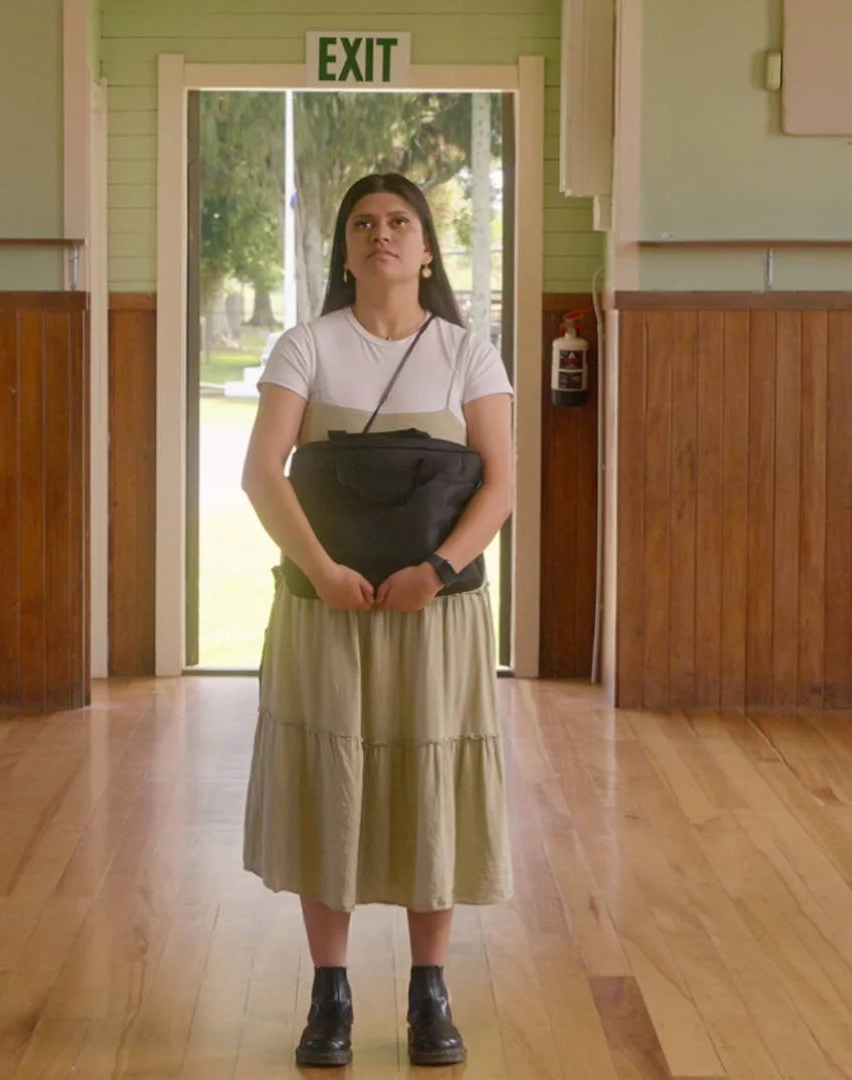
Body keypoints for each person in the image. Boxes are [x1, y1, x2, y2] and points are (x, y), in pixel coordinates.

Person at [240, 172, 514, 1069]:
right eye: (363, 222)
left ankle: (429, 991)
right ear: (344, 250)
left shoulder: (469, 353)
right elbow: (262, 474)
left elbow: (502, 485)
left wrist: (437, 571)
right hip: (327, 611)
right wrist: (321, 573)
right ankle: (331, 994)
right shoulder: (304, 346)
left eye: (400, 221)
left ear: (428, 247)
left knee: (428, 781)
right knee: (334, 783)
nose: (382, 234)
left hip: (435, 615)